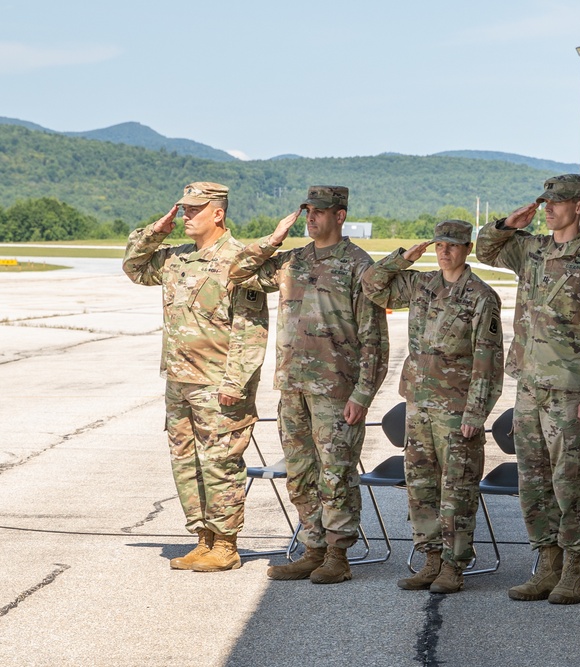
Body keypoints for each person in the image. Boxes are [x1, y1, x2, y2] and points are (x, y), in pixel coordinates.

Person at [476, 174, 580, 605]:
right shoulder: (533, 249)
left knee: (571, 482)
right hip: (529, 386)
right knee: (534, 482)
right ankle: (547, 563)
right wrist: (508, 223)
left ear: (579, 207)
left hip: (570, 390)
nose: (548, 209)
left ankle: (575, 569)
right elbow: (486, 250)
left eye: (557, 203)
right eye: (545, 202)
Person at [229, 185, 388, 585]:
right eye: (307, 212)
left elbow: (374, 338)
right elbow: (237, 271)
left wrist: (363, 394)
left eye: (320, 211)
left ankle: (337, 554)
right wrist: (275, 237)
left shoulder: (358, 265)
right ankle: (312, 548)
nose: (312, 217)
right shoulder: (292, 261)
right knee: (300, 473)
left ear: (340, 215)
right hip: (293, 386)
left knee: (336, 473)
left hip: (336, 389)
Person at [123, 181, 269, 572]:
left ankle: (226, 544)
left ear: (217, 213)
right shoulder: (177, 259)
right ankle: (202, 538)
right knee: (186, 462)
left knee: (221, 462)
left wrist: (235, 382)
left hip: (218, 382)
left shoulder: (240, 261)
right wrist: (156, 231)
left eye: (194, 210)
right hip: (180, 380)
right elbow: (134, 267)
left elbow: (250, 329)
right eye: (183, 209)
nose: (186, 216)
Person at [361, 220, 504, 594]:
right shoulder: (422, 284)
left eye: (453, 246)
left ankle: (454, 566)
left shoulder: (480, 296)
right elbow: (373, 286)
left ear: (467, 249)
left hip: (457, 408)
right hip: (419, 402)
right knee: (421, 486)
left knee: (456, 488)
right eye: (440, 244)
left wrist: (476, 413)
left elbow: (488, 361)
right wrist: (401, 259)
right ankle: (431, 559)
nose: (444, 252)